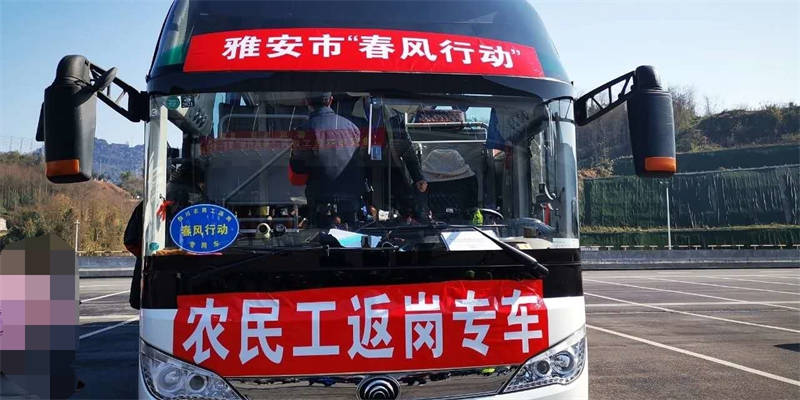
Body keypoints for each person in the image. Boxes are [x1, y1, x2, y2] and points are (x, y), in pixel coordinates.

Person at [290, 93, 365, 228]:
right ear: (330, 100)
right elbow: (361, 162)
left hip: (320, 202)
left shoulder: (303, 131)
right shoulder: (352, 127)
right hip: (350, 200)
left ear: (307, 101)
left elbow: (298, 167)